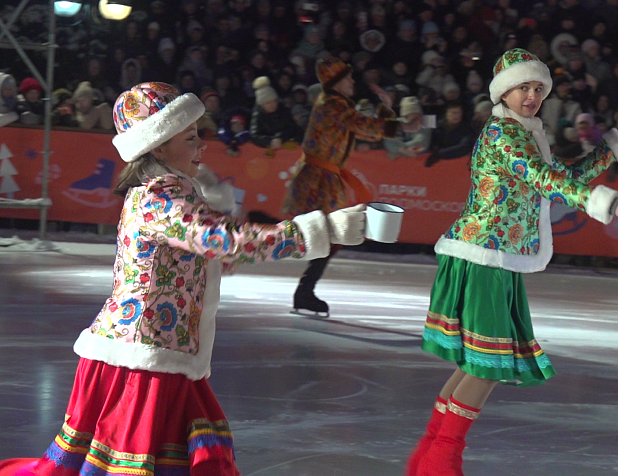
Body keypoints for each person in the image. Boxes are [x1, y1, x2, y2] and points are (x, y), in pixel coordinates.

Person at [0, 82, 366, 475]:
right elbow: (227, 241)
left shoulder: (168, 194)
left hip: (160, 352)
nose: (201, 146)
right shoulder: (162, 200)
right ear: (158, 147)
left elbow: (197, 260)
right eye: (191, 138)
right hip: (141, 360)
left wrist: (223, 247)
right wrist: (323, 230)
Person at [405, 49, 618, 476]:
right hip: (486, 259)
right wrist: (607, 202)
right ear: (503, 92)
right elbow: (546, 180)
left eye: (538, 88)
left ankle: (429, 458)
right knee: (488, 364)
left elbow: (557, 177)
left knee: (478, 364)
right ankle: (441, 462)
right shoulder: (505, 134)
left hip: (494, 259)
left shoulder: (522, 130)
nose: (532, 96)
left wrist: (615, 149)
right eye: (523, 88)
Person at [281, 56, 422, 316]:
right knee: (325, 234)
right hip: (318, 181)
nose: (352, 81)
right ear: (336, 82)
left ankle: (305, 290)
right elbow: (362, 124)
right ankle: (303, 289)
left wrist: (386, 110)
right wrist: (401, 124)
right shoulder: (332, 105)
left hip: (324, 179)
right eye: (347, 77)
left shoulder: (336, 105)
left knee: (328, 235)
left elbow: (360, 124)